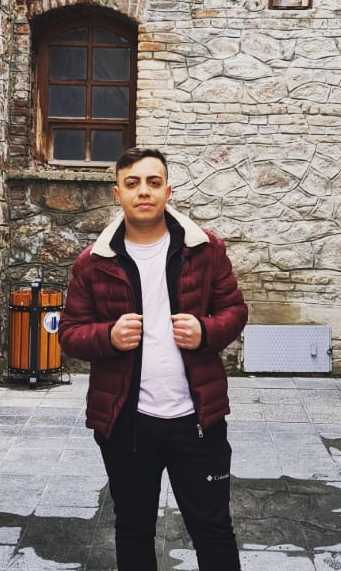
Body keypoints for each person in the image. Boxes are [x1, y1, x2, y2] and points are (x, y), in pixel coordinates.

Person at [59, 147, 248, 571]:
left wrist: (205, 332)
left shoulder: (205, 249)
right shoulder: (93, 262)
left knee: (214, 531)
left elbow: (235, 311)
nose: (143, 191)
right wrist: (108, 337)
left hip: (197, 419)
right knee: (133, 529)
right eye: (132, 183)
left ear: (167, 191)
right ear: (117, 194)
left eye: (153, 182)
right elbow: (69, 333)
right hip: (127, 423)